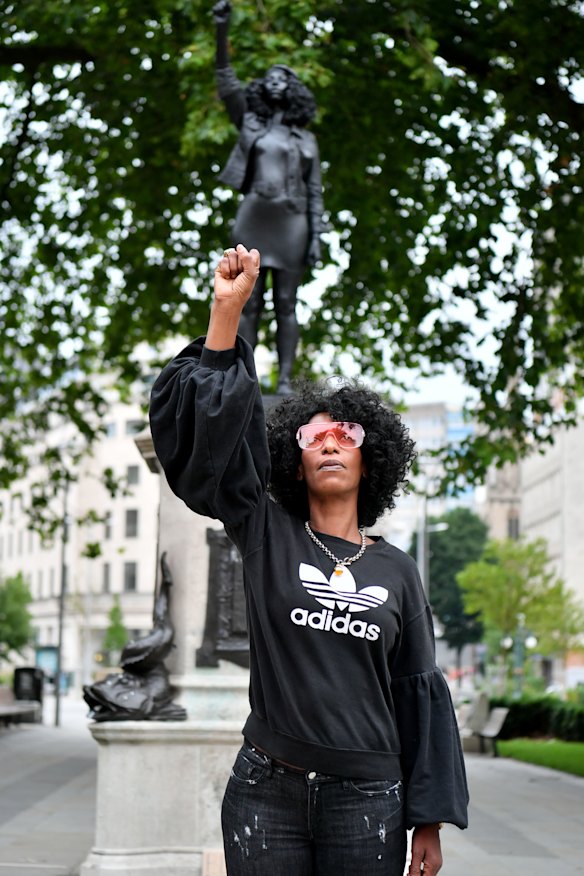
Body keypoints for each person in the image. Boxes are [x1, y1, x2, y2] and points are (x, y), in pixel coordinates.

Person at [149, 244, 469, 875]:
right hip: (266, 790)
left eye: (344, 435)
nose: (328, 442)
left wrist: (426, 820)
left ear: (368, 457)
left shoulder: (399, 571)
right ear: (293, 459)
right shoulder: (266, 530)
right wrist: (227, 312)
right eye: (311, 435)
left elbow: (417, 692)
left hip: (368, 797)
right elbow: (212, 447)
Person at [212, 0, 326, 395]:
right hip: (254, 217)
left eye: (285, 78)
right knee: (247, 301)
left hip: (293, 223)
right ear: (263, 87)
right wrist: (222, 29)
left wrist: (316, 236)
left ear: (294, 91)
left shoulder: (308, 139)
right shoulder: (250, 122)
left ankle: (289, 382)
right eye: (270, 77)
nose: (276, 80)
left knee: (287, 303)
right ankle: (246, 378)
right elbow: (225, 78)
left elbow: (315, 192)